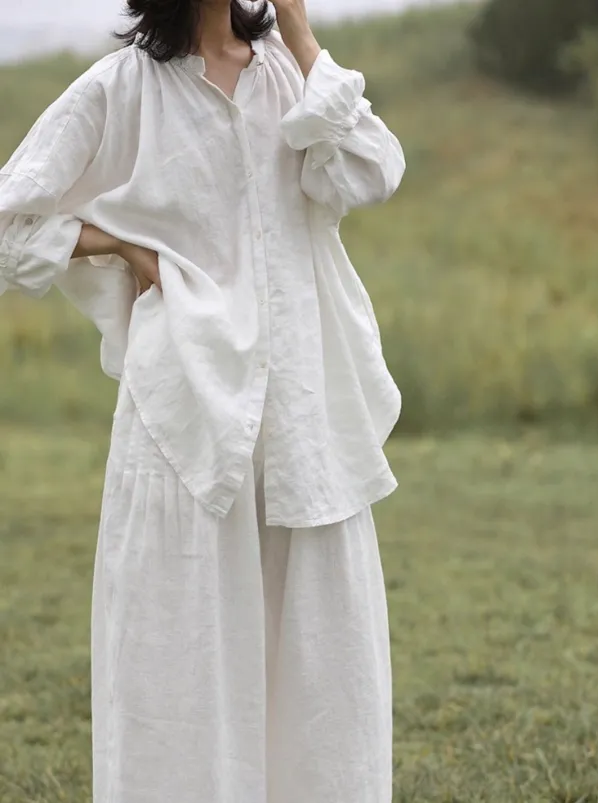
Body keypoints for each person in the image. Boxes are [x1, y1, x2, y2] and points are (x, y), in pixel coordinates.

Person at [0, 0, 406, 800]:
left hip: (305, 426)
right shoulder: (120, 89)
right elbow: (9, 222)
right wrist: (118, 243)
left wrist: (298, 29)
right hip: (185, 424)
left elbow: (370, 171)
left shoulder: (291, 75)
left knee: (323, 683)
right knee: (179, 672)